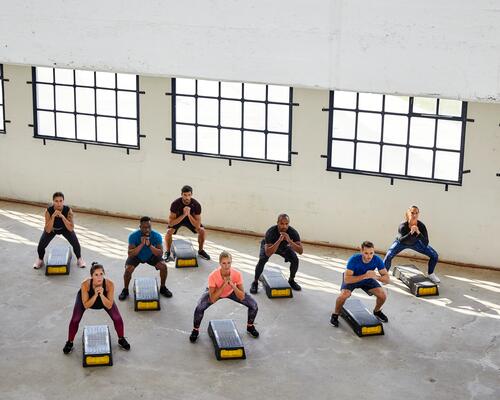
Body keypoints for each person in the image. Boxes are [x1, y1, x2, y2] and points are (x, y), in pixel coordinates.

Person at [189, 251, 259, 343]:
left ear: (231, 262)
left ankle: (250, 326)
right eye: (224, 263)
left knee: (253, 305)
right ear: (220, 263)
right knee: (199, 307)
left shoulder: (237, 274)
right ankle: (195, 330)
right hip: (216, 292)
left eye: (229, 263)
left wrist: (233, 286)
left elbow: (241, 296)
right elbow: (213, 299)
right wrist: (224, 284)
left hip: (231, 291)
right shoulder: (213, 276)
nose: (226, 266)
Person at [63, 262, 130, 354]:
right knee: (75, 319)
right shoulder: (85, 284)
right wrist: (95, 295)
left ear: (104, 274)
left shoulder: (109, 284)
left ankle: (121, 339)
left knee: (117, 318)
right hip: (87, 300)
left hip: (104, 299)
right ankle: (69, 342)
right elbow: (86, 305)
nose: (99, 277)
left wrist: (101, 295)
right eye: (96, 275)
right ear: (91, 276)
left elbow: (109, 305)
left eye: (101, 274)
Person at [330, 241, 390, 327]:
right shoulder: (354, 259)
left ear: (374, 252)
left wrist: (376, 277)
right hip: (353, 279)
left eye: (371, 253)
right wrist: (365, 275)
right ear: (361, 251)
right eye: (366, 253)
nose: (369, 256)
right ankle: (335, 314)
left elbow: (387, 279)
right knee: (343, 295)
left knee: (382, 295)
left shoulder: (377, 260)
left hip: (368, 279)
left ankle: (377, 311)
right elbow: (347, 279)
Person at [118, 216, 173, 301]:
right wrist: (141, 244)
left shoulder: (156, 236)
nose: (147, 230)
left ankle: (163, 287)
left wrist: (149, 245)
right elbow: (130, 254)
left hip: (151, 255)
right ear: (140, 227)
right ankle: (125, 290)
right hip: (137, 256)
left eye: (149, 227)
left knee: (163, 267)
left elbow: (160, 253)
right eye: (144, 227)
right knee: (128, 269)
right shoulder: (133, 236)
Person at [383, 205, 440, 283]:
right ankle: (384, 276)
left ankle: (431, 274)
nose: (414, 215)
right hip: (401, 243)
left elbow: (426, 242)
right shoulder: (403, 225)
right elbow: (401, 240)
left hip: (415, 243)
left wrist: (418, 232)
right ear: (408, 213)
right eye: (412, 213)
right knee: (389, 255)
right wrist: (411, 232)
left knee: (434, 255)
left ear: (418, 214)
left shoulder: (421, 226)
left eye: (416, 213)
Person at [250, 213, 303, 294]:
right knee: (262, 260)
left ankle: (291, 280)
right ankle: (255, 282)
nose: (284, 226)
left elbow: (300, 251)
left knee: (295, 260)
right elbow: (268, 253)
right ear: (277, 223)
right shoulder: (271, 232)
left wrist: (289, 240)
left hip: (285, 247)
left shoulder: (293, 232)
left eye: (286, 224)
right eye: (282, 223)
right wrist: (279, 240)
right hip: (271, 246)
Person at [33, 192, 86, 269]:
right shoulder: (48, 211)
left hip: (65, 229)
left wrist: (62, 217)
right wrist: (53, 216)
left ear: (63, 201)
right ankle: (40, 259)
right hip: (53, 229)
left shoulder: (68, 210)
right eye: (56, 201)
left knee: (75, 242)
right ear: (53, 202)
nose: (59, 203)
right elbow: (47, 230)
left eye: (61, 201)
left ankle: (79, 259)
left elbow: (71, 228)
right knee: (41, 245)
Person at [164, 185, 210, 261]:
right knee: (168, 232)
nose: (187, 197)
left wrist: (188, 214)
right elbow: (171, 223)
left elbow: (197, 225)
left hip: (190, 220)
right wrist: (184, 214)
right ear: (181, 194)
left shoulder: (196, 205)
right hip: (178, 219)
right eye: (185, 195)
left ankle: (201, 251)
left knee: (202, 231)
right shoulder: (175, 204)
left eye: (189, 195)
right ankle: (168, 252)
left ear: (191, 195)